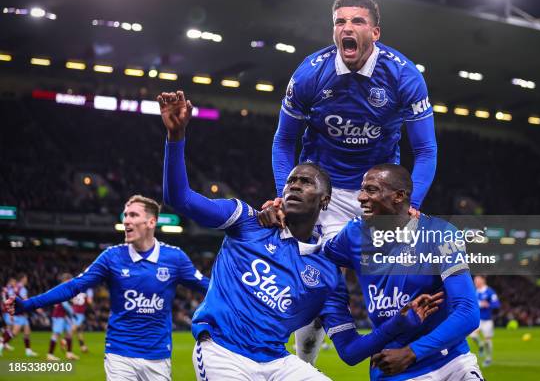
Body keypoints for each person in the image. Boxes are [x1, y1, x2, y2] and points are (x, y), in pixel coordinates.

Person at [159, 90, 443, 380]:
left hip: (276, 360)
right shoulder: (248, 221)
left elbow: (351, 351)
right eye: (291, 180)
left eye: (306, 182)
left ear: (325, 200)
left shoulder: (328, 272)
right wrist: (176, 137)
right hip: (223, 352)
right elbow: (179, 198)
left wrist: (399, 323)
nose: (293, 185)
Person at [271, 0, 438, 363]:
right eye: (340, 22)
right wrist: (285, 193)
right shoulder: (310, 73)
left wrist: (412, 201)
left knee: (403, 281)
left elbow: (425, 150)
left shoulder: (404, 75)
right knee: (315, 286)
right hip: (322, 194)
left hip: (375, 196)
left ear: (375, 32)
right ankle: (303, 366)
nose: (347, 27)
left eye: (357, 21)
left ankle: (423, 360)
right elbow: (284, 140)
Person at [5, 195, 210, 381]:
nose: (126, 220)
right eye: (125, 215)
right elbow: (73, 287)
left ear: (151, 222)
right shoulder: (111, 257)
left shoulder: (175, 258)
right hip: (119, 353)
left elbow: (209, 288)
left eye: (133, 215)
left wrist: (241, 295)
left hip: (158, 356)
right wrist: (27, 305)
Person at [320, 163, 483, 380]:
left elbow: (468, 312)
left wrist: (412, 352)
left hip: (451, 362)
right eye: (362, 189)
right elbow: (319, 262)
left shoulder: (440, 234)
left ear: (399, 196)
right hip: (393, 369)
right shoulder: (353, 234)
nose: (360, 197)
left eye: (371, 189)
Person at [469, 275, 500, 367]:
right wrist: (479, 304)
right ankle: (480, 345)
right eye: (475, 281)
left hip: (487, 321)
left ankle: (488, 358)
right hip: (477, 320)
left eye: (477, 280)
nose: (476, 282)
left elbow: (496, 304)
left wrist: (488, 305)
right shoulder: (474, 292)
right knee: (473, 336)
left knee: (488, 341)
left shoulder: (489, 291)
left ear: (483, 280)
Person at [4, 274, 38, 357]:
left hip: (19, 312)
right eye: (26, 278)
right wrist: (36, 307)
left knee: (27, 331)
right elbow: (25, 300)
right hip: (20, 313)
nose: (27, 280)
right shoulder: (22, 288)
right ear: (22, 279)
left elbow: (10, 297)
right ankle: (2, 343)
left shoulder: (14, 287)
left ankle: (28, 351)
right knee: (15, 332)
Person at [47, 273, 79, 361]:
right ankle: (50, 354)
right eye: (70, 280)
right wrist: (73, 314)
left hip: (64, 315)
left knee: (69, 334)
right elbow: (65, 304)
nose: (71, 282)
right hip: (58, 315)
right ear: (65, 280)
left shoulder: (63, 288)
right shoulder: (62, 288)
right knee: (56, 334)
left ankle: (69, 353)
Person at [69, 287, 94, 353]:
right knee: (75, 328)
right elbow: (90, 301)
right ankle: (65, 340)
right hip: (80, 313)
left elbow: (71, 300)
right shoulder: (87, 291)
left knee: (79, 330)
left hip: (73, 311)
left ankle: (83, 347)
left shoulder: (75, 290)